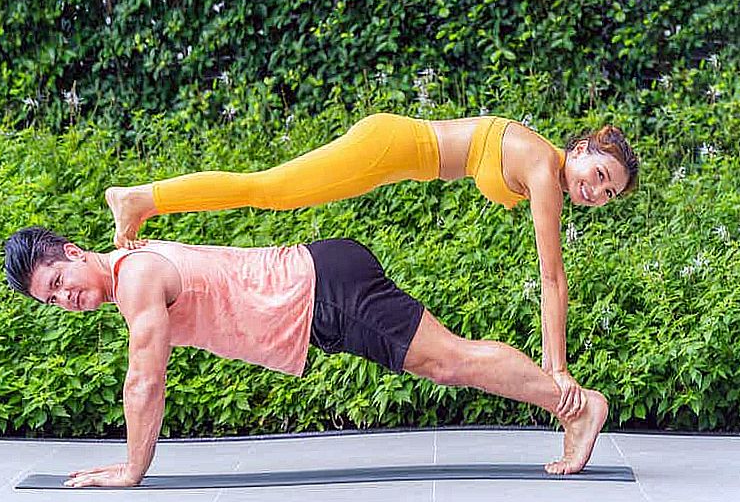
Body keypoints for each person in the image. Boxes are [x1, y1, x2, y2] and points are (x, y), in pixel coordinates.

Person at [3, 226, 609, 488]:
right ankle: (567, 406)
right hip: (321, 293)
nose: (66, 298)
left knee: (447, 360)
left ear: (76, 252)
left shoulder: (134, 280)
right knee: (444, 360)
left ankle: (573, 405)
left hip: (326, 291)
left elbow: (145, 381)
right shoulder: (127, 263)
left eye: (60, 279)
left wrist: (131, 469)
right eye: (52, 299)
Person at [104, 113, 638, 410]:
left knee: (271, 189)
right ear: (583, 148)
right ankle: (140, 198)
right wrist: (558, 368)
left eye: (608, 193)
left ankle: (144, 199)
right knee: (270, 189)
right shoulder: (546, 172)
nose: (596, 191)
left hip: (395, 151)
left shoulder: (545, 163)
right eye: (599, 175)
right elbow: (551, 278)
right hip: (390, 145)